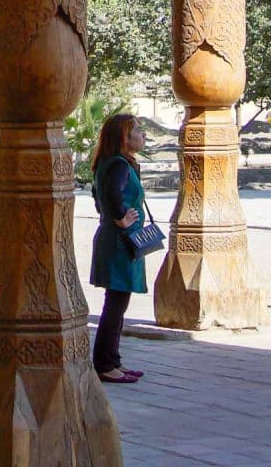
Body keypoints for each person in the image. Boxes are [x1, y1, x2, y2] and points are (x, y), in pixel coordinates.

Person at [90, 112, 149, 384]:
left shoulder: (112, 162)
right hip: (118, 241)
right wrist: (120, 219)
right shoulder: (117, 165)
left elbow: (97, 195)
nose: (143, 134)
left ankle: (112, 361)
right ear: (124, 137)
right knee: (115, 303)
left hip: (117, 239)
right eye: (137, 130)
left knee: (118, 302)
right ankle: (104, 364)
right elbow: (111, 194)